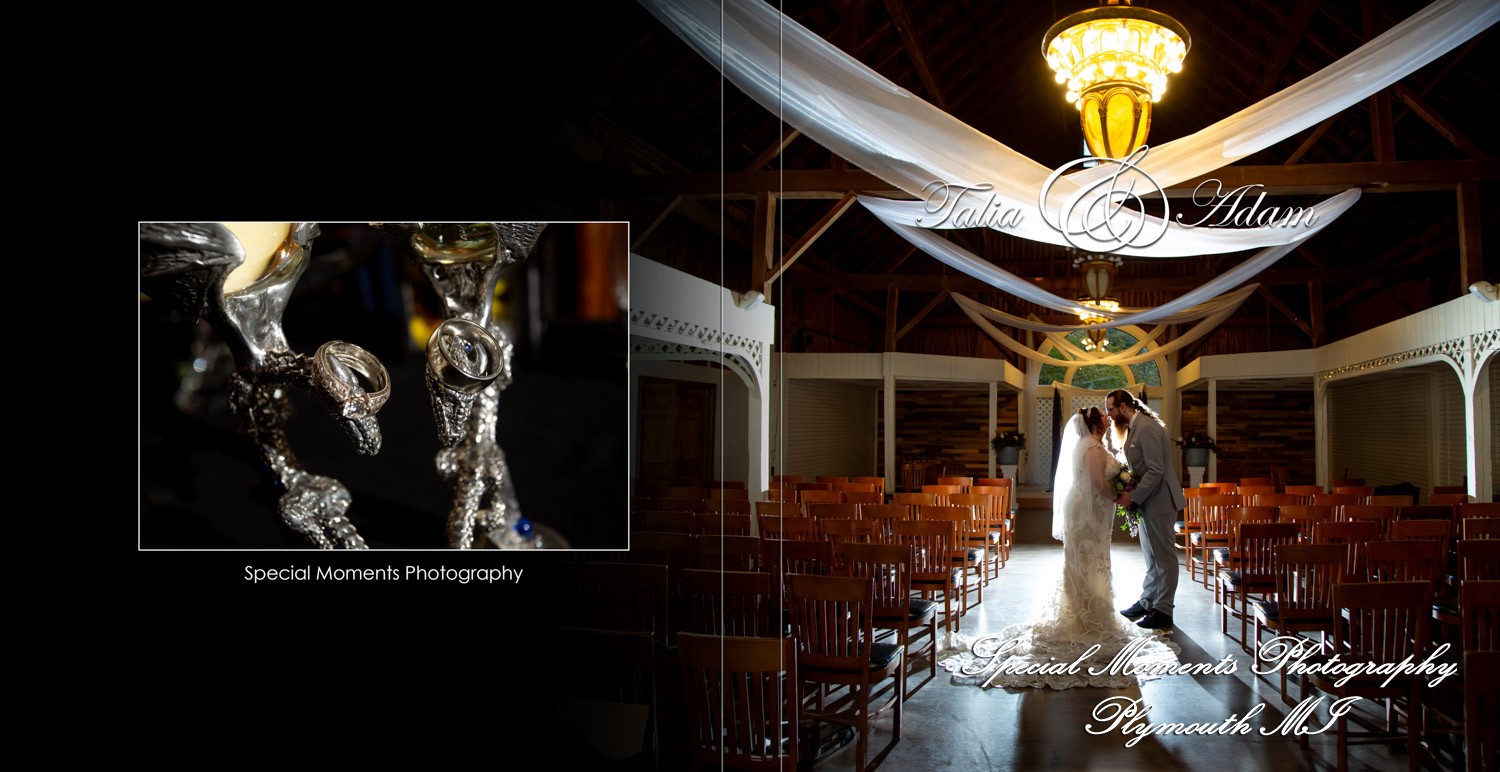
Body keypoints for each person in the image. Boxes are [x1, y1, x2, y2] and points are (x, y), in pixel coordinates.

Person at [940, 407, 1177, 690]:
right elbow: (1098, 482)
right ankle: (1084, 614)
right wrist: (1119, 496)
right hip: (1088, 517)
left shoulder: (1094, 444)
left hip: (1094, 515)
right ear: (1093, 424)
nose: (1107, 418)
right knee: (1085, 561)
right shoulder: (1090, 446)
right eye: (1102, 417)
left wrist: (1121, 489)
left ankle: (1090, 607)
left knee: (1091, 562)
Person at [1107, 389, 1187, 630]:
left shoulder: (1147, 427)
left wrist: (1133, 496)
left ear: (1123, 407)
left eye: (1110, 409)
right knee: (1151, 558)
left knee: (1164, 558)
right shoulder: (1134, 427)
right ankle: (1147, 601)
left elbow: (1156, 470)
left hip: (1160, 501)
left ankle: (1164, 609)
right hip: (1148, 502)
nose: (1108, 414)